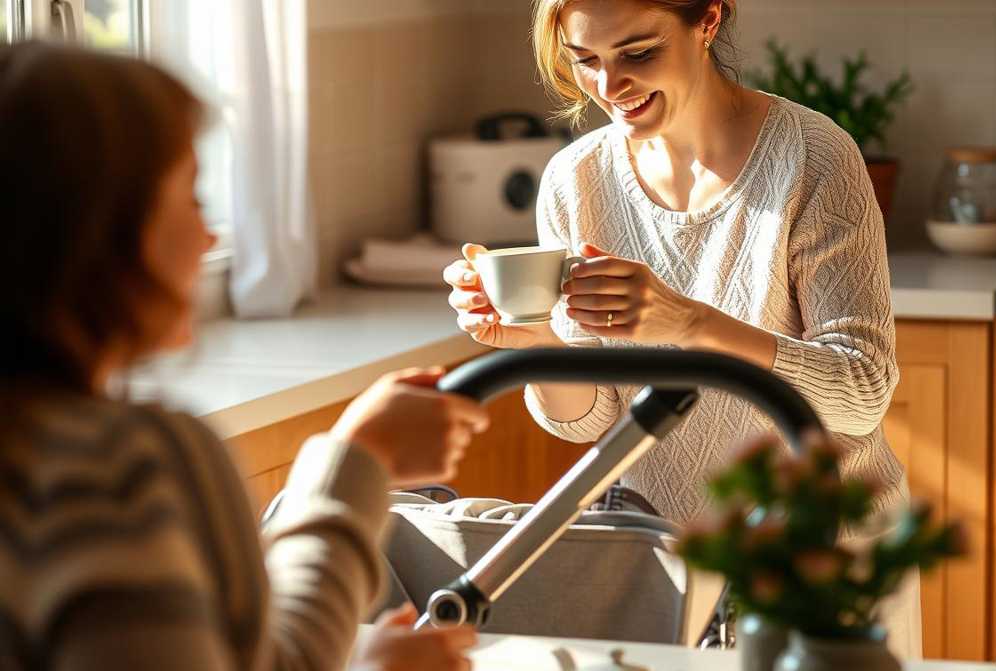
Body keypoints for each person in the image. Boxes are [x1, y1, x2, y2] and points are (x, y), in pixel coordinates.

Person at [444, 0, 921, 658]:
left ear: (709, 20)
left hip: (820, 569)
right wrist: (533, 345)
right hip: (654, 564)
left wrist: (688, 321)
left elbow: (861, 393)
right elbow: (590, 421)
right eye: (586, 61)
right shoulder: (574, 181)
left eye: (638, 54)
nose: (611, 87)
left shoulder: (814, 158)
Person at [0, 42, 486, 670]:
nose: (208, 236)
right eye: (192, 199)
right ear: (99, 234)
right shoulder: (120, 471)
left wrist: (359, 459)